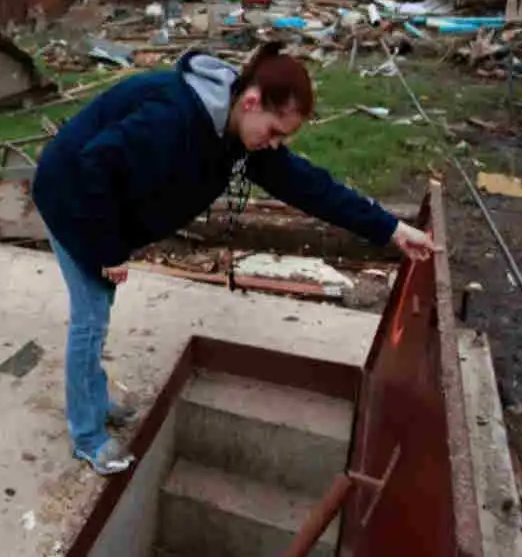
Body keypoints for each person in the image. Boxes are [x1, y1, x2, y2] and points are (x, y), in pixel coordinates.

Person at [30, 42, 437, 476]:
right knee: (90, 315)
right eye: (276, 131)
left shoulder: (238, 135)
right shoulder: (173, 117)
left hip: (101, 205)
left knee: (98, 307)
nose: (275, 144)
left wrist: (392, 230)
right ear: (251, 100)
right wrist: (108, 249)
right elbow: (95, 164)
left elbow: (312, 188)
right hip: (69, 195)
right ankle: (88, 437)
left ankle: (95, 401)